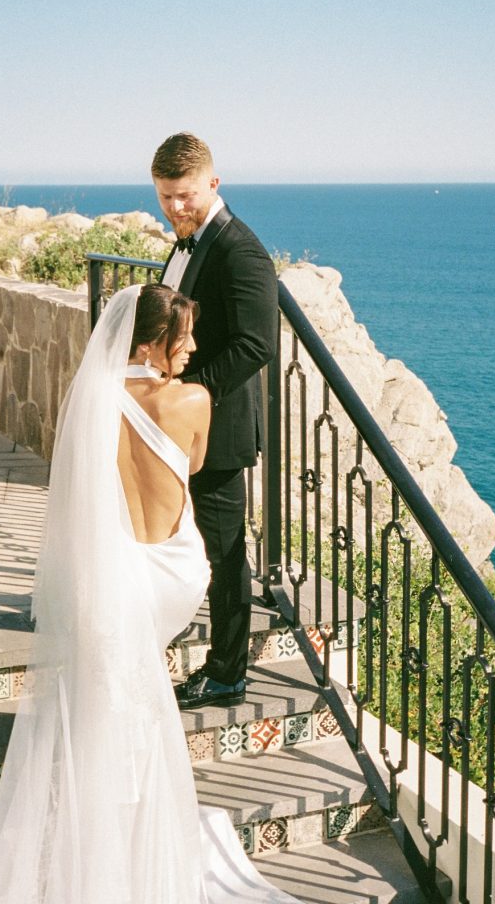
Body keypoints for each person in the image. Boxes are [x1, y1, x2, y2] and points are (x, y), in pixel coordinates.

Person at [0, 283, 299, 903]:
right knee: (136, 692)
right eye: (186, 337)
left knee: (106, 693)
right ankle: (133, 834)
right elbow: (196, 465)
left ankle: (104, 829)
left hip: (108, 571)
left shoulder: (92, 396)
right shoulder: (195, 400)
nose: (195, 347)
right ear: (155, 342)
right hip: (171, 573)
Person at [154, 133, 279, 711]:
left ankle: (228, 672)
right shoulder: (187, 242)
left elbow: (257, 345)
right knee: (188, 538)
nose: (176, 208)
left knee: (227, 554)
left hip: (219, 430)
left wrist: (187, 392)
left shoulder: (241, 251)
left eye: (184, 196)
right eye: (165, 197)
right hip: (182, 424)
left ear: (213, 183)